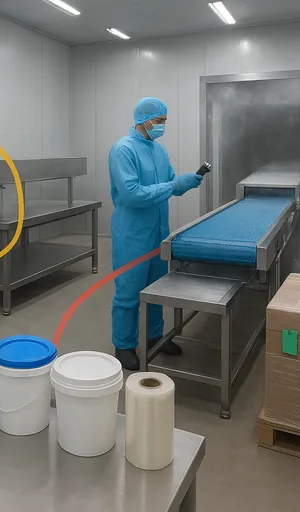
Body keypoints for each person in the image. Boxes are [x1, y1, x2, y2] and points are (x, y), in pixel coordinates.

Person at [109, 97, 204, 370]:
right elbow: (132, 194)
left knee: (157, 289)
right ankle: (124, 345)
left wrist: (184, 182)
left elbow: (170, 181)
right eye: (159, 121)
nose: (162, 125)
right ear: (143, 120)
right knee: (128, 293)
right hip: (132, 236)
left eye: (164, 121)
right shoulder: (122, 150)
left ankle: (154, 337)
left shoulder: (158, 150)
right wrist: (174, 186)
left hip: (159, 232)